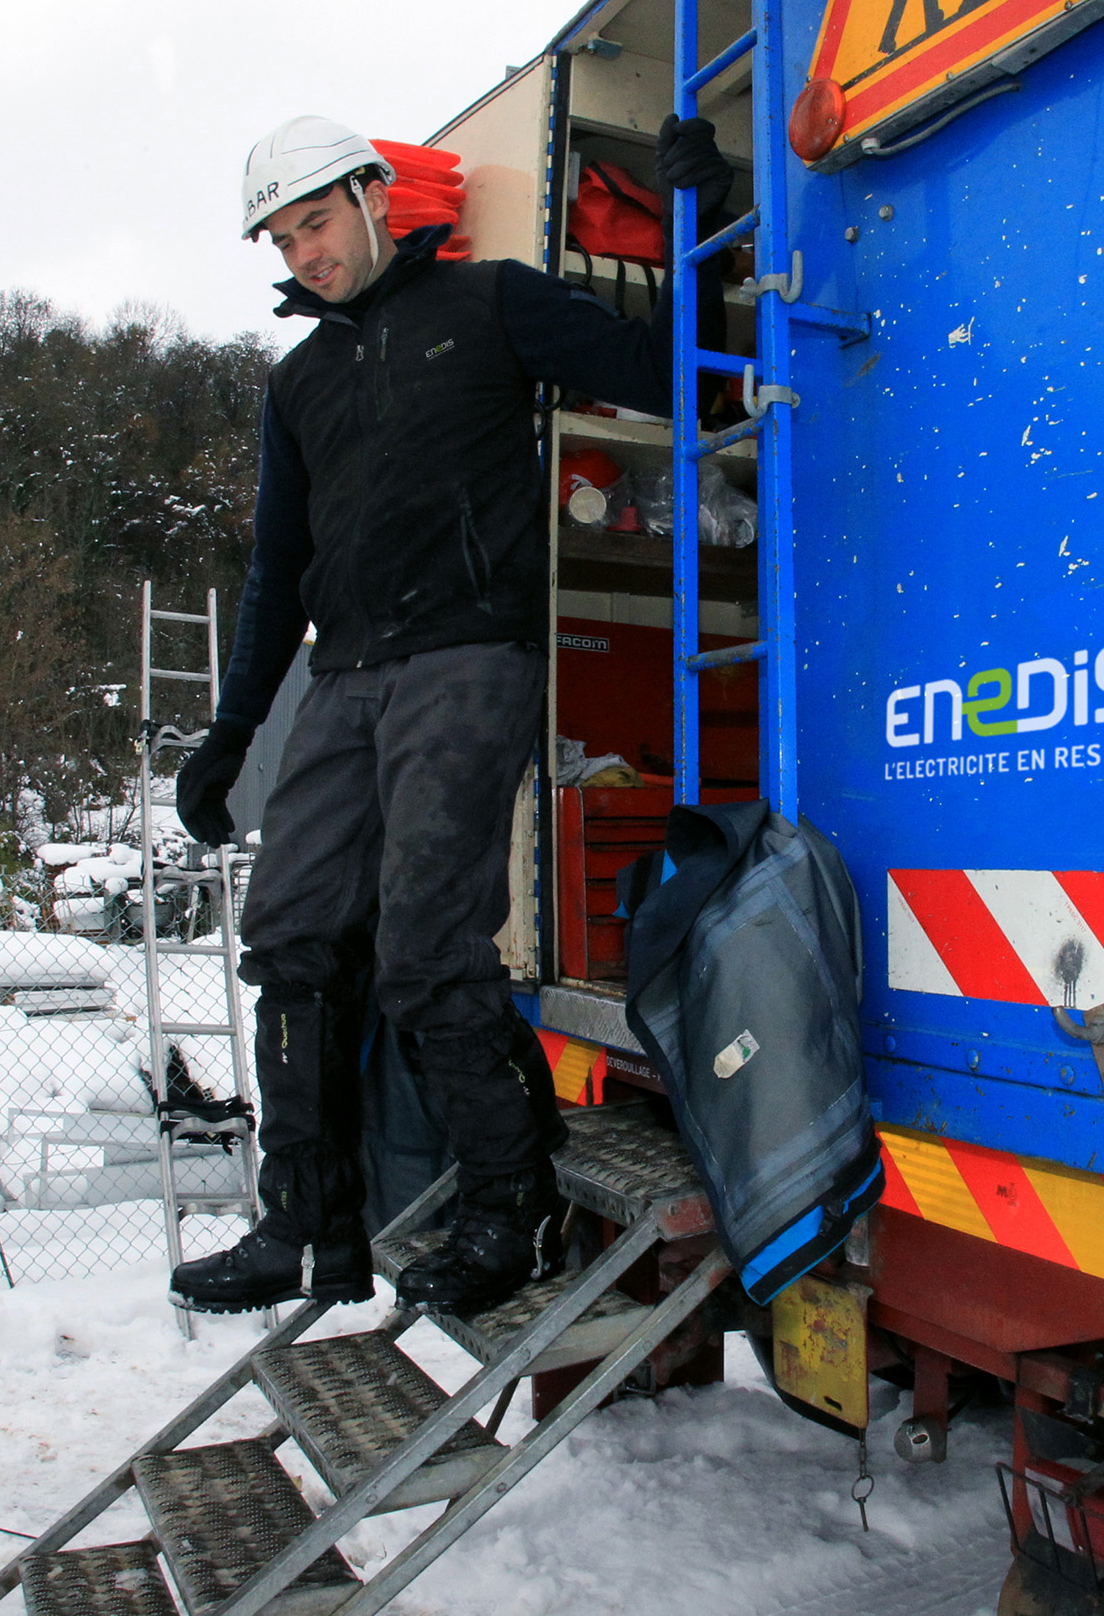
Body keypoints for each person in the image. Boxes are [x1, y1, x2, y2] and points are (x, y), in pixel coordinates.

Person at [166, 112, 733, 1317]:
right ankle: (301, 1223)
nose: (302, 252)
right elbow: (277, 574)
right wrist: (229, 733)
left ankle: (505, 1205)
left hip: (469, 658)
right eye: (280, 236)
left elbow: (668, 372)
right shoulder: (300, 380)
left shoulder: (488, 306)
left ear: (375, 198)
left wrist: (708, 241)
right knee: (293, 941)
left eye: (315, 220)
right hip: (345, 676)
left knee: (427, 942)